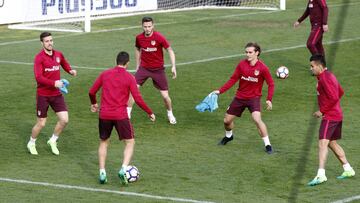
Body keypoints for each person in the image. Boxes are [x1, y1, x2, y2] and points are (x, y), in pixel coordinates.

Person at [89, 51, 156, 185]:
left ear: (116, 61)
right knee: (130, 142)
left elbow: (91, 91)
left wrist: (94, 103)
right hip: (120, 116)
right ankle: (124, 169)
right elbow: (137, 98)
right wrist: (149, 112)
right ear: (127, 63)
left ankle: (102, 172)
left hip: (104, 115)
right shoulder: (130, 77)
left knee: (104, 142)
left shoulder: (105, 74)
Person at [212, 42, 275, 154]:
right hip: (240, 97)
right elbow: (233, 79)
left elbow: (271, 84)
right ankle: (229, 136)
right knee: (227, 121)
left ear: (257, 53)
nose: (247, 54)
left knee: (257, 119)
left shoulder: (263, 68)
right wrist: (220, 91)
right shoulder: (241, 65)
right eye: (246, 52)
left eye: (250, 52)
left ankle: (268, 145)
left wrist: (269, 99)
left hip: (254, 98)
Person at [307, 54, 355, 186]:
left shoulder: (324, 79)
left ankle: (321, 175)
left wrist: (322, 110)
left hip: (330, 117)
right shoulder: (329, 75)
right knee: (331, 143)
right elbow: (341, 92)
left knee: (322, 144)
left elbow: (334, 97)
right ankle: (348, 169)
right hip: (337, 115)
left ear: (319, 66)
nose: (311, 69)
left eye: (312, 66)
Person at [27, 32, 77, 156]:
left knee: (64, 120)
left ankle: (53, 140)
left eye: (51, 40)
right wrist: (54, 83)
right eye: (47, 41)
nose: (50, 43)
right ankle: (32, 142)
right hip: (43, 95)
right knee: (41, 123)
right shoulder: (39, 58)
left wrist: (70, 70)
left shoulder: (58, 54)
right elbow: (38, 77)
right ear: (42, 43)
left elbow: (63, 62)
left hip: (56, 94)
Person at [127, 16, 177, 124]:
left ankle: (170, 113)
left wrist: (173, 66)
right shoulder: (139, 38)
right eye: (145, 27)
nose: (147, 29)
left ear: (153, 26)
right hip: (144, 68)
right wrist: (137, 65)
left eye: (149, 26)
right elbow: (137, 48)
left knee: (165, 96)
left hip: (158, 70)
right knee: (132, 91)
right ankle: (127, 114)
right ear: (142, 26)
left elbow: (170, 50)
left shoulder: (159, 37)